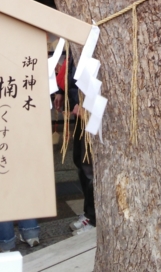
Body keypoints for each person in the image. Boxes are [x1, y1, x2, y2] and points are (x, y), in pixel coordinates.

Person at [54, 55, 96, 233]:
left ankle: (94, 218)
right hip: (80, 112)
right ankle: (90, 213)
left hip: (92, 111)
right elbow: (72, 68)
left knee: (89, 166)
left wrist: (84, 102)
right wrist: (61, 92)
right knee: (81, 161)